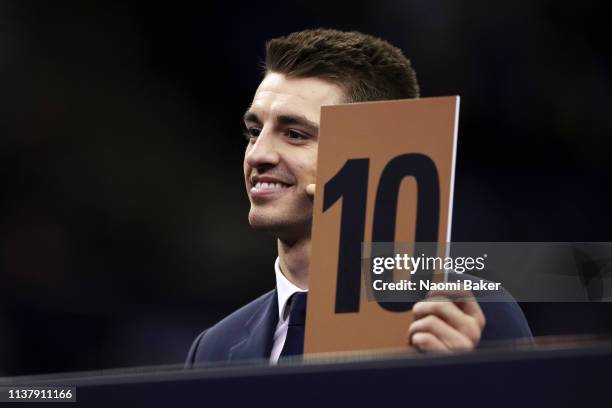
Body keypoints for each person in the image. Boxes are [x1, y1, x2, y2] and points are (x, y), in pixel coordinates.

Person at [185, 28, 532, 368]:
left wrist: (457, 384)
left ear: (374, 152)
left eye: (294, 134)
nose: (258, 155)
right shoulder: (213, 349)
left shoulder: (468, 314)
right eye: (254, 132)